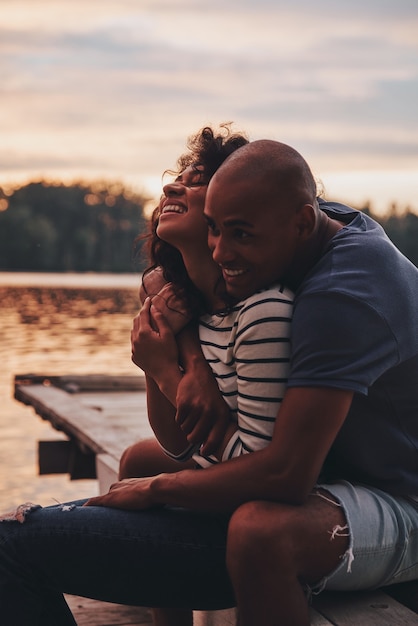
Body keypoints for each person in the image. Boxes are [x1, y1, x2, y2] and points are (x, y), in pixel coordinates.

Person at [0, 138, 416, 626]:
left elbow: (285, 475)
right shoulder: (307, 222)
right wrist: (188, 360)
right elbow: (180, 268)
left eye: (239, 235)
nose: (222, 250)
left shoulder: (342, 294)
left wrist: (159, 490)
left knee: (259, 530)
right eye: (216, 230)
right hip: (337, 468)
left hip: (400, 494)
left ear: (303, 223)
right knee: (137, 458)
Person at [121, 126, 293, 625]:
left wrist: (162, 369)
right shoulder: (189, 305)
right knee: (138, 459)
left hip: (268, 492)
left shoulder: (262, 312)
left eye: (196, 183)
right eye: (178, 179)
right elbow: (176, 444)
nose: (172, 188)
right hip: (230, 469)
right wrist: (166, 356)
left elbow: (257, 467)